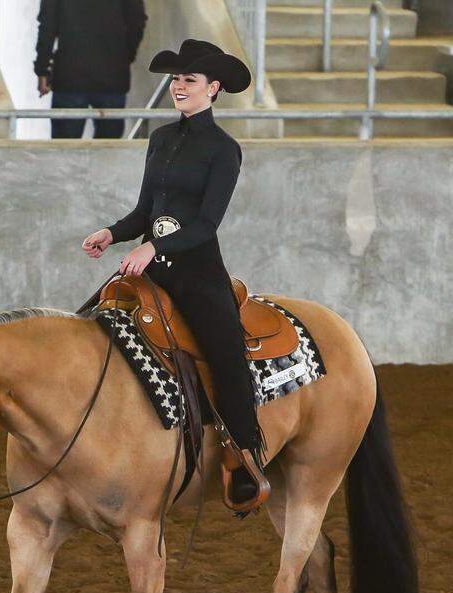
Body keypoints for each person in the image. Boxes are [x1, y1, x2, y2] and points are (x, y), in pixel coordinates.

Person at [80, 39, 269, 511]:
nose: (178, 87)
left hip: (199, 274)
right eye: (176, 79)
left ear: (214, 88)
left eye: (189, 80)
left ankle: (246, 458)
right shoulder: (161, 139)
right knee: (89, 320)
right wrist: (112, 232)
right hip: (152, 268)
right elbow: (145, 211)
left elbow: (206, 225)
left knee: (225, 353)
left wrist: (153, 246)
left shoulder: (225, 149)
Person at [35, 0, 147, 139]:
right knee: (107, 153)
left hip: (69, 75)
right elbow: (137, 21)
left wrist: (42, 70)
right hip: (112, 75)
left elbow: (47, 25)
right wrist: (124, 57)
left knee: (64, 153)